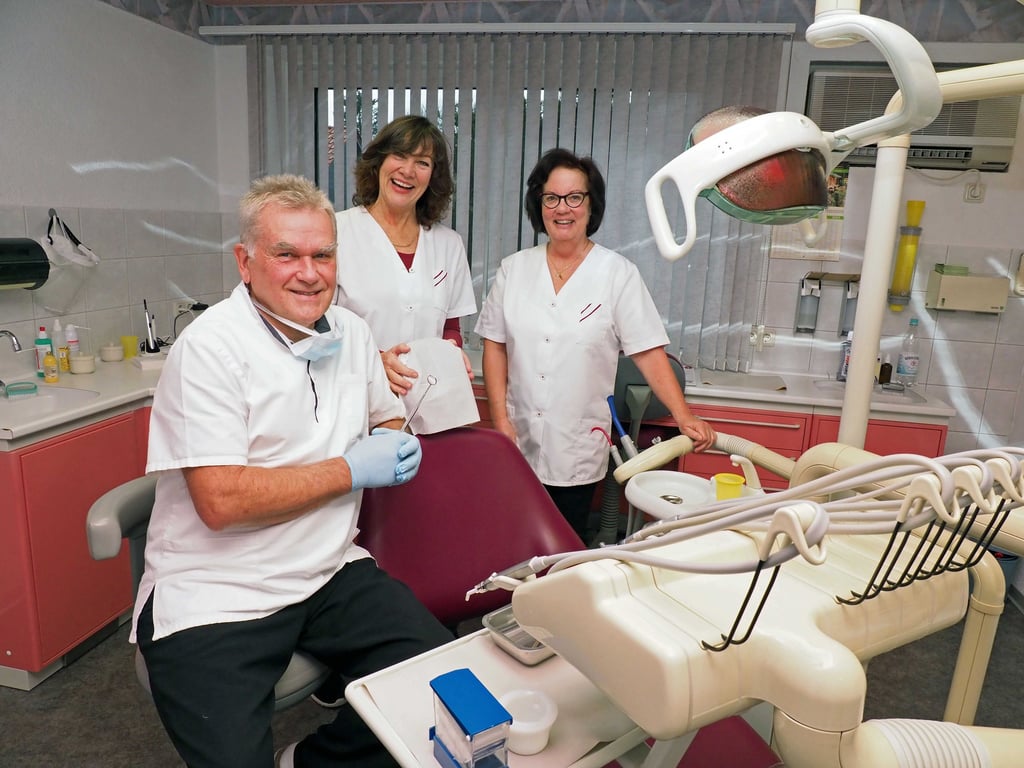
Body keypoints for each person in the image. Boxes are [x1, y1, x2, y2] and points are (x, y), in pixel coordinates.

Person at [132, 174, 452, 768]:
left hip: (327, 569)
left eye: (322, 255)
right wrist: (349, 469)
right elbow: (221, 502)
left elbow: (385, 415)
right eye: (287, 255)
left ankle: (308, 760)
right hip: (219, 591)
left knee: (441, 694)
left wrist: (394, 441)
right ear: (245, 262)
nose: (309, 273)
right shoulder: (209, 349)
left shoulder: (352, 332)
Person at [475, 148, 716, 539]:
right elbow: (495, 346)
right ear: (539, 205)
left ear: (591, 204)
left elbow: (648, 350)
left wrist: (683, 415)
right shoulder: (513, 269)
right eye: (551, 198)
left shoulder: (617, 274)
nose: (562, 208)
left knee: (562, 543)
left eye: (574, 197)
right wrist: (500, 421)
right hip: (517, 436)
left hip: (575, 443)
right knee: (511, 537)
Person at [335, 114, 477, 396]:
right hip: (354, 396)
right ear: (379, 162)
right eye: (399, 155)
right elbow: (318, 326)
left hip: (425, 401)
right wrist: (375, 360)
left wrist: (450, 352)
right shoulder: (336, 232)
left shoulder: (449, 244)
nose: (408, 171)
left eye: (422, 163)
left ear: (433, 176)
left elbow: (451, 328)